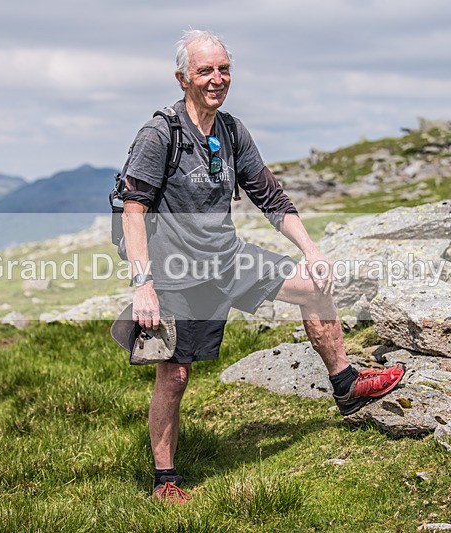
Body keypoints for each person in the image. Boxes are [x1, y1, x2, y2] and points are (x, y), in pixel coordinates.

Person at [119, 29, 404, 503]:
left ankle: (346, 385)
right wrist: (142, 284)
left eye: (223, 69)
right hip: (176, 273)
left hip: (228, 259)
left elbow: (270, 197)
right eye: (205, 70)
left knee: (313, 287)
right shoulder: (159, 133)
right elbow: (134, 208)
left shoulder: (231, 131)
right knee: (175, 375)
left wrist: (311, 249)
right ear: (182, 78)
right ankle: (164, 481)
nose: (217, 79)